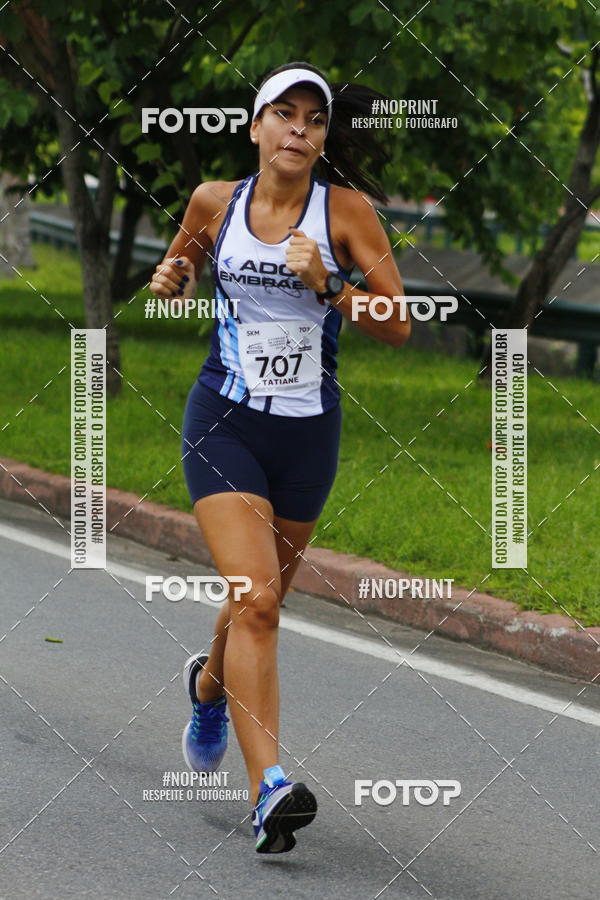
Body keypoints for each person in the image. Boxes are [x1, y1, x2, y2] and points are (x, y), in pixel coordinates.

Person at [150, 61, 410, 854]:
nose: (299, 128)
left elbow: (399, 322)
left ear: (323, 137)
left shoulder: (346, 212)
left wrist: (329, 284)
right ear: (256, 125)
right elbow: (184, 260)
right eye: (284, 113)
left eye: (314, 119)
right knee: (256, 599)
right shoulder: (214, 201)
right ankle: (270, 790)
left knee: (259, 601)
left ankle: (206, 687)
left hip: (305, 435)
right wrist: (173, 276)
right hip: (222, 420)